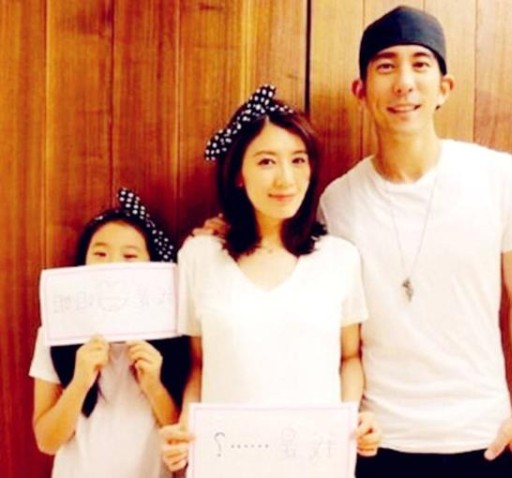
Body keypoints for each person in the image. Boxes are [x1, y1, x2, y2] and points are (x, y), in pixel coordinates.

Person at [317, 6, 512, 477]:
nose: (404, 83)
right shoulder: (337, 202)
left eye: (420, 64)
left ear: (444, 88)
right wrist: (226, 230)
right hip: (378, 444)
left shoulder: (497, 176)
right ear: (361, 91)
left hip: (483, 439)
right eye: (386, 66)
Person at [160, 85, 380, 473]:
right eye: (266, 162)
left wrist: (350, 422)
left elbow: (350, 357)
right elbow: (199, 365)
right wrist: (185, 430)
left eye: (298, 160)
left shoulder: (339, 259)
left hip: (314, 464)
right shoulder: (199, 256)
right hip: (227, 465)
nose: (285, 179)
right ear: (238, 174)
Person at [29, 188, 190, 478]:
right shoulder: (57, 330)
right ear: (83, 261)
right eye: (100, 253)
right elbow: (47, 441)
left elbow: (182, 439)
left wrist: (154, 385)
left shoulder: (173, 334)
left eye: (130, 255)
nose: (113, 263)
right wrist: (80, 382)